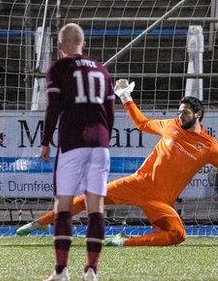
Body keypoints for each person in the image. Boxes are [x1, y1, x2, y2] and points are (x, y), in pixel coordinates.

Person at [18, 82, 218, 249]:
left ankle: (123, 242)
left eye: (185, 113)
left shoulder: (209, 147)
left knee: (178, 235)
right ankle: (40, 223)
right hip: (138, 183)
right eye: (179, 111)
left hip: (161, 200)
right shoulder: (171, 125)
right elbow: (142, 123)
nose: (180, 116)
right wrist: (125, 97)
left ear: (198, 114)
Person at [36, 23, 114, 281]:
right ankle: (91, 270)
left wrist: (45, 141)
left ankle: (61, 270)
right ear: (83, 43)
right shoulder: (102, 71)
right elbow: (111, 114)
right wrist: (104, 139)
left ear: (60, 45)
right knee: (96, 208)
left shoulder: (58, 68)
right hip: (100, 145)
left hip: (72, 142)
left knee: (63, 207)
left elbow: (53, 107)